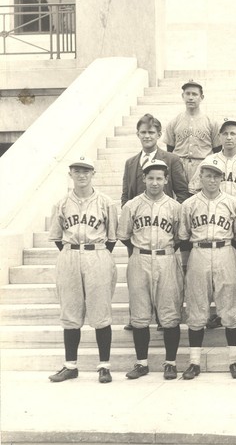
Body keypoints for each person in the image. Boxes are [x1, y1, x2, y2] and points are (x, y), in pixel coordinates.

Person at [47, 157, 118, 384]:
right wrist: (72, 251)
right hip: (69, 254)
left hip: (97, 252)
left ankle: (104, 366)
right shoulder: (61, 203)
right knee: (70, 311)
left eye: (86, 171)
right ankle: (70, 366)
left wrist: (95, 253)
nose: (81, 175)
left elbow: (112, 238)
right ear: (71, 174)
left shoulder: (106, 202)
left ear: (93, 173)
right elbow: (57, 237)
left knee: (100, 311)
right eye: (77, 171)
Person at [188, 120, 236, 329]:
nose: (229, 137)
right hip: (216, 220)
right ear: (219, 137)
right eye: (225, 134)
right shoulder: (210, 160)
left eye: (233, 133)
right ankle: (218, 313)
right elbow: (194, 188)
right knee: (217, 271)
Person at [179, 158, 236, 380]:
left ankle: (234, 362)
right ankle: (194, 362)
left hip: (225, 249)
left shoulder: (231, 202)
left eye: (216, 175)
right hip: (199, 251)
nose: (212, 179)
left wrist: (227, 253)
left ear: (222, 178)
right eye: (208, 175)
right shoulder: (189, 204)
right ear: (200, 177)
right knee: (197, 307)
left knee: (230, 306)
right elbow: (184, 237)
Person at [118, 160, 184, 380]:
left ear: (166, 180)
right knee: (139, 313)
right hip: (140, 258)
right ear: (143, 179)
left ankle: (171, 363)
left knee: (170, 312)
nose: (155, 182)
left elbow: (180, 237)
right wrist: (140, 251)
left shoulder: (175, 207)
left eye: (159, 178)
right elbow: (124, 236)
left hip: (166, 258)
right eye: (150, 178)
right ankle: (141, 363)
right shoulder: (132, 205)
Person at [121, 113, 190, 207]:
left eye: (151, 132)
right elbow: (126, 195)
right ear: (138, 134)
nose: (147, 136)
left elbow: (182, 192)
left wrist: (174, 213)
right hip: (138, 217)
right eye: (143, 132)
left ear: (159, 135)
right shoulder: (130, 163)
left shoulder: (172, 160)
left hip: (164, 217)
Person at [163, 80, 221, 180]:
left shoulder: (211, 122)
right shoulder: (174, 122)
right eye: (187, 94)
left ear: (201, 97)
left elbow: (217, 150)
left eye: (194, 94)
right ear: (183, 96)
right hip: (179, 166)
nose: (190, 97)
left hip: (203, 166)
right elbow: (170, 151)